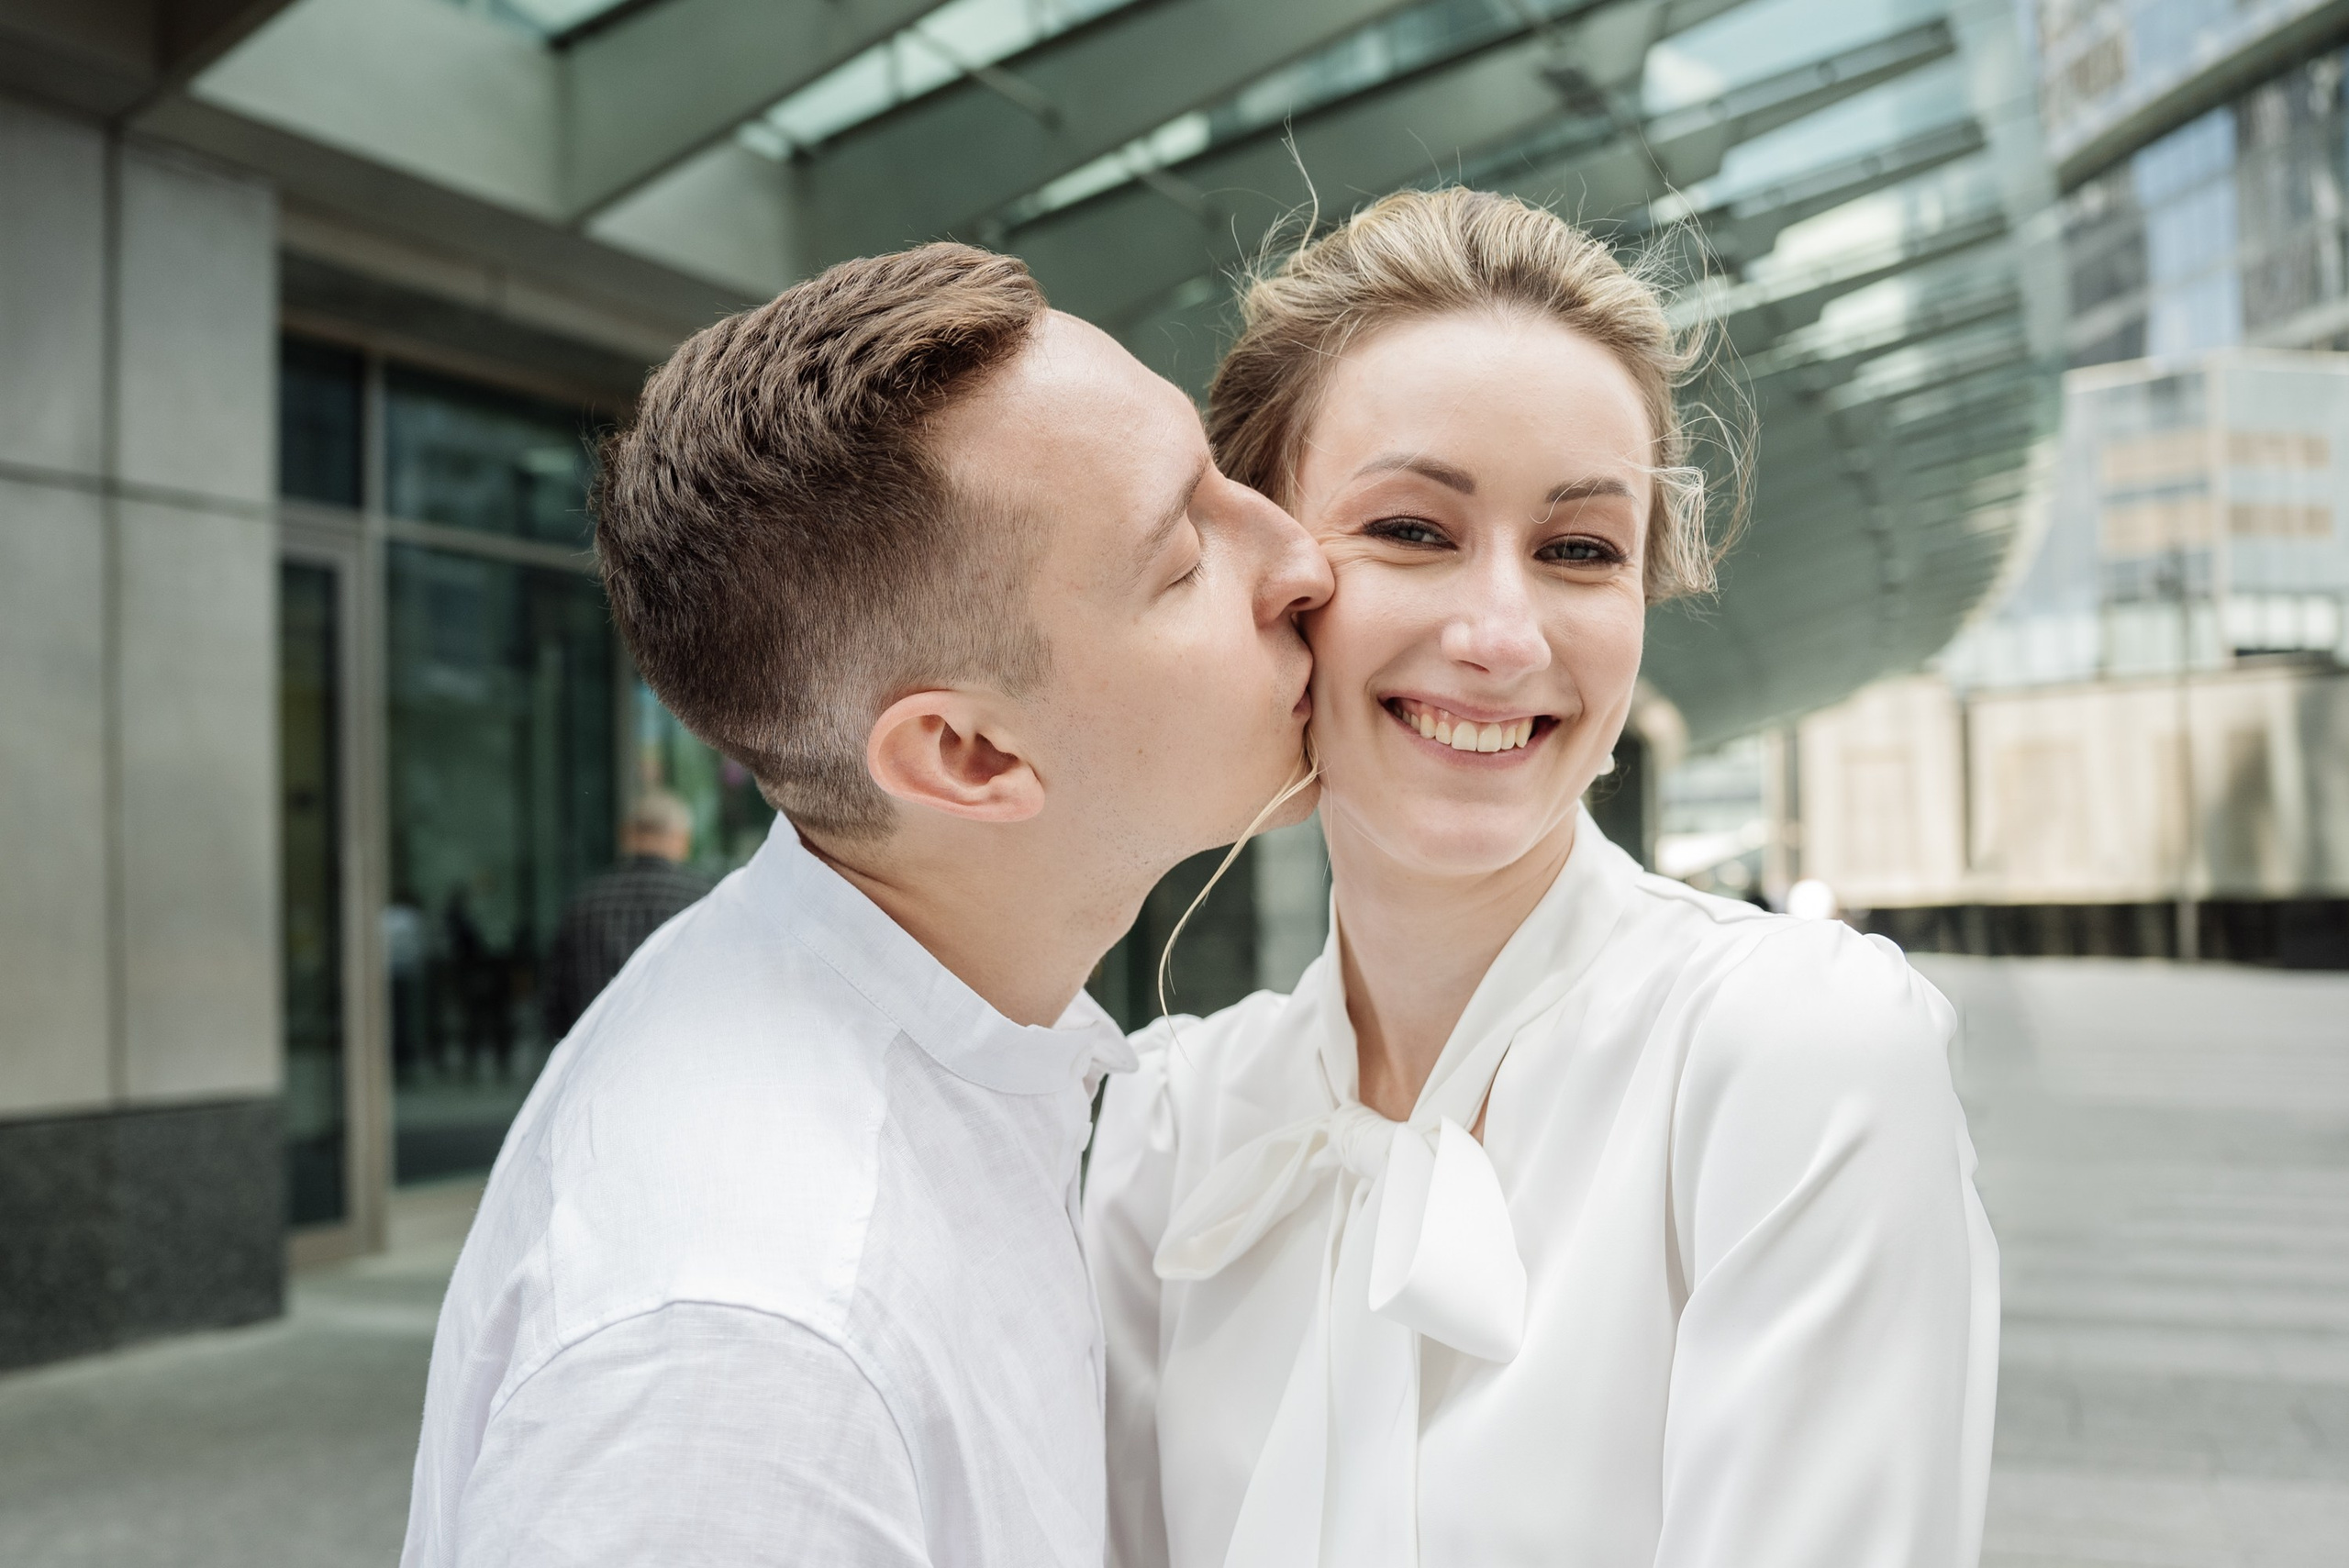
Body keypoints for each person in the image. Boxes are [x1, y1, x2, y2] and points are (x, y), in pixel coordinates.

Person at [1085, 188, 1998, 1568]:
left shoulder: (1791, 1055)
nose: (1503, 635)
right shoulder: (1172, 1127)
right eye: (1413, 529)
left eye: (1580, 551)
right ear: (1269, 575)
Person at [401, 244, 1330, 1567]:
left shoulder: (865, 1021)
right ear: (969, 756)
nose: (1303, 557)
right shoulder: (755, 1352)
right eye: (1184, 557)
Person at [540, 788, 711, 1040]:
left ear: (627, 835)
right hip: (683, 1052)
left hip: (598, 1054)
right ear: (681, 839)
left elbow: (555, 1007)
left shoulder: (585, 903)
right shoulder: (706, 899)